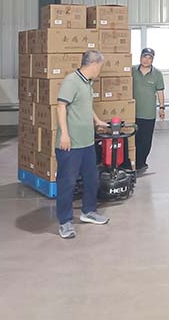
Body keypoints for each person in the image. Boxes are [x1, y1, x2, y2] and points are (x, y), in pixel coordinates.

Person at [56, 50, 110, 239]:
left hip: (87, 142)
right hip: (71, 144)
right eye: (100, 67)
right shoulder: (71, 81)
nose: (100, 71)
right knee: (67, 183)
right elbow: (61, 106)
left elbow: (86, 105)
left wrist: (97, 120)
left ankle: (88, 211)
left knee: (91, 179)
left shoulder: (87, 83)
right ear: (93, 64)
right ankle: (65, 222)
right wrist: (64, 134)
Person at [132, 47, 165, 173]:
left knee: (145, 140)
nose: (146, 60)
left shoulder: (157, 74)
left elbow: (160, 91)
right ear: (140, 57)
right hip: (133, 112)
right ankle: (132, 162)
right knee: (134, 139)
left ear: (152, 59)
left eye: (149, 58)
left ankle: (141, 163)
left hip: (148, 113)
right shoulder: (132, 70)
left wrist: (162, 108)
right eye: (144, 57)